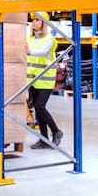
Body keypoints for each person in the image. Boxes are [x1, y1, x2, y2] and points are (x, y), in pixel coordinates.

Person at [25, 11, 63, 149]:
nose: (34, 22)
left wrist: (29, 51)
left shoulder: (50, 40)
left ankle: (56, 131)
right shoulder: (30, 38)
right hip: (33, 80)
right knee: (37, 108)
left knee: (40, 106)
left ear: (44, 23)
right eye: (33, 20)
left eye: (37, 20)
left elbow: (41, 52)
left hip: (45, 80)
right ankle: (44, 139)